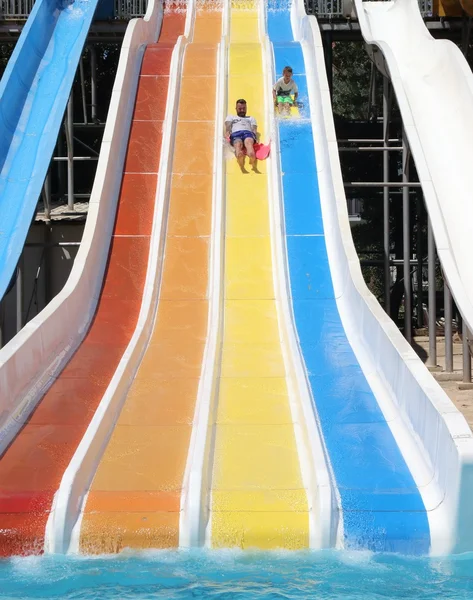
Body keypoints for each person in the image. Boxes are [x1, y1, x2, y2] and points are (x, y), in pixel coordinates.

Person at [225, 99, 258, 172]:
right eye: (240, 109)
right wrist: (227, 131)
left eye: (244, 108)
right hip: (236, 133)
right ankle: (240, 159)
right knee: (237, 143)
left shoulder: (251, 118)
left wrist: (255, 136)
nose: (242, 110)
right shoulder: (231, 117)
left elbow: (254, 129)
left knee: (249, 142)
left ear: (246, 108)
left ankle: (251, 156)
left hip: (248, 132)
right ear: (236, 108)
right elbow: (228, 125)